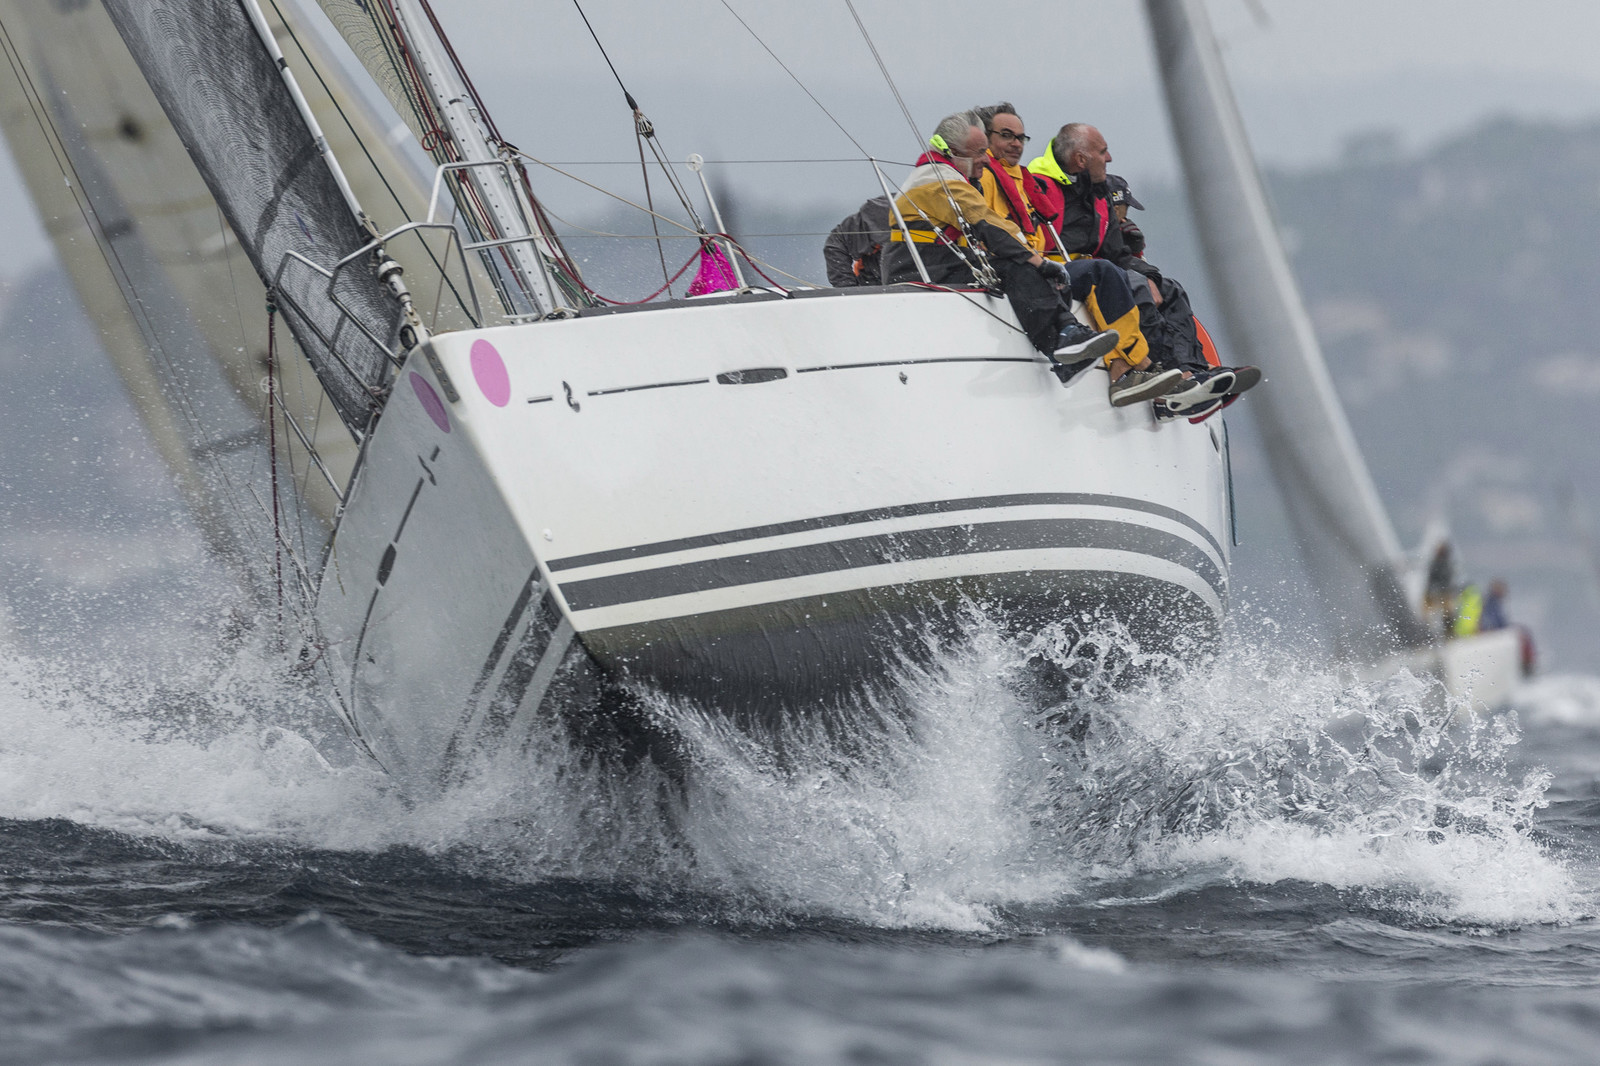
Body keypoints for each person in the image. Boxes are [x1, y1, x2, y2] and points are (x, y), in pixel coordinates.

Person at [883, 110, 1181, 406]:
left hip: (944, 260)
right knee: (1020, 266)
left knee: (1115, 276)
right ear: (954, 153)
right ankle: (1067, 343)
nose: (986, 160)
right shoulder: (939, 178)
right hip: (919, 266)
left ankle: (1112, 354)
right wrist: (1038, 261)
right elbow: (986, 222)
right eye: (979, 153)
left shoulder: (960, 174)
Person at [1027, 122, 1259, 419]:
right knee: (1131, 283)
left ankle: (1194, 371)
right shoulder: (1039, 186)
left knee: (1168, 288)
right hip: (1059, 267)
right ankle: (1169, 376)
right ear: (1081, 160)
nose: (1109, 158)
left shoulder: (1099, 193)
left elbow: (1116, 252)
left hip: (1100, 266)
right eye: (1103, 152)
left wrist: (1151, 275)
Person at [823, 196, 890, 287]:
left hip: (901, 280)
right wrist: (847, 288)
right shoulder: (861, 222)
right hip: (871, 280)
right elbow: (836, 244)